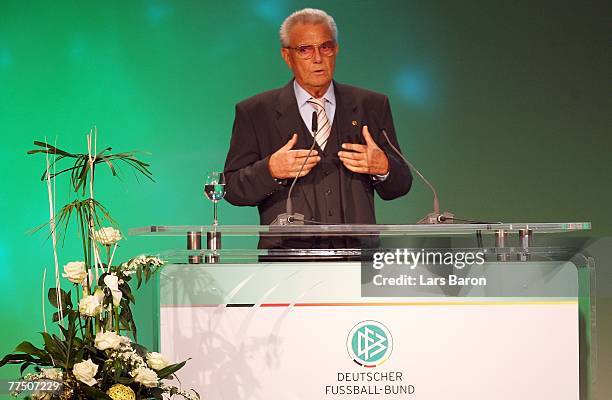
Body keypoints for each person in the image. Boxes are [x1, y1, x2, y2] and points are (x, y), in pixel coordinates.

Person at [223, 8, 412, 249]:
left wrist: (384, 167)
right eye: (305, 49)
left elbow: (402, 183)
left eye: (325, 47)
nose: (318, 58)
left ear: (336, 50)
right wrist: (270, 169)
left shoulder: (371, 105)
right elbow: (232, 188)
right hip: (287, 260)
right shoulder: (255, 112)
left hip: (357, 261)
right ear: (286, 56)